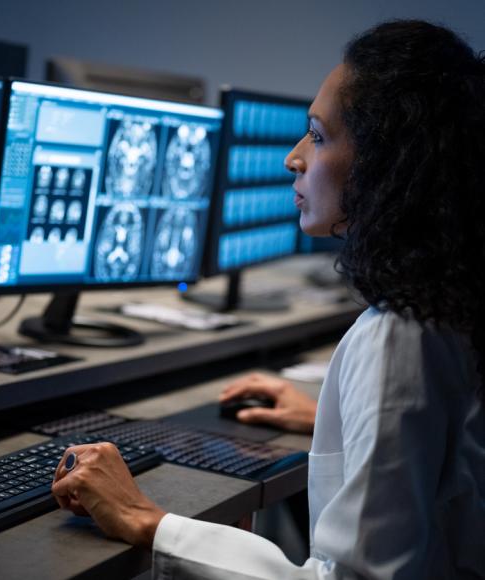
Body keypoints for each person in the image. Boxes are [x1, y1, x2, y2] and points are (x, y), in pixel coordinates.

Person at [52, 20, 485, 579]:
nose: (293, 157)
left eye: (318, 135)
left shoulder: (399, 335)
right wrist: (340, 422)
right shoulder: (448, 303)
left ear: (387, 161)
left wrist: (150, 522)